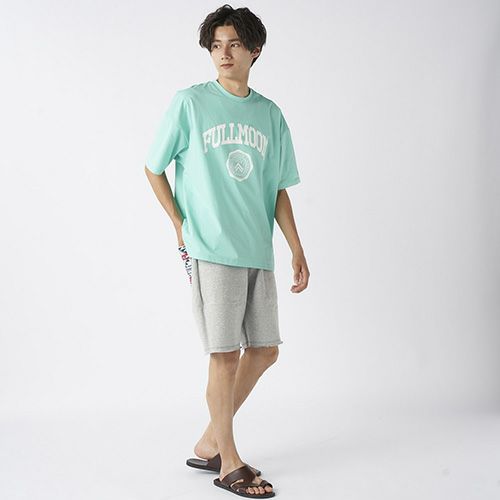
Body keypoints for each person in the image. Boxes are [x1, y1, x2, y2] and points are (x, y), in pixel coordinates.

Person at [144, 4, 310, 497]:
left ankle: (210, 440)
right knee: (224, 355)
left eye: (234, 44)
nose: (224, 54)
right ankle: (227, 462)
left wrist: (296, 247)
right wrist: (179, 223)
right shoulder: (190, 104)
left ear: (254, 50)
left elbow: (278, 188)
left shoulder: (270, 114)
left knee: (264, 350)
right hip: (211, 246)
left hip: (256, 248)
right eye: (216, 46)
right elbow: (154, 166)